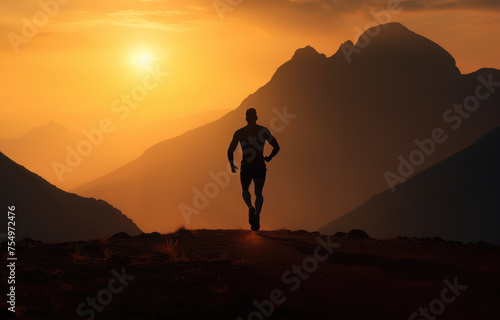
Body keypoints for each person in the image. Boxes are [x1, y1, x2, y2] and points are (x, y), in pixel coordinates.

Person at [227, 108, 280, 231]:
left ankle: (250, 207)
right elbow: (276, 146)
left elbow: (230, 150)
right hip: (259, 165)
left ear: (246, 119)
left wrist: (231, 164)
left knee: (245, 189)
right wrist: (269, 157)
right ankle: (257, 214)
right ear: (256, 118)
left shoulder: (239, 133)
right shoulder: (263, 131)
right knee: (259, 193)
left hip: (246, 166)